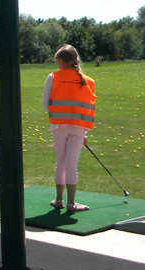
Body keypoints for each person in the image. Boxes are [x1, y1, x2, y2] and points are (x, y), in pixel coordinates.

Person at [42, 44, 97, 212]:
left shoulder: (53, 77)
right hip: (79, 127)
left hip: (59, 125)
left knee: (61, 163)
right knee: (72, 164)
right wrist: (84, 132)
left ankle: (59, 200)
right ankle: (72, 203)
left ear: (60, 61)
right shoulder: (88, 81)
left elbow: (45, 104)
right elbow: (86, 108)